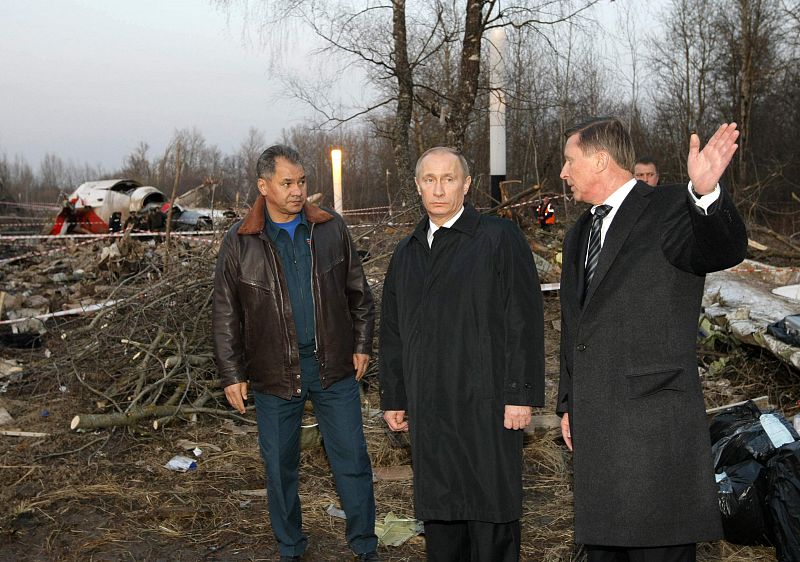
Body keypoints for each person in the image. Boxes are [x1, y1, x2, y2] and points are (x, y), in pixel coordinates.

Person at [557, 118, 747, 562]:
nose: (563, 173)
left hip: (654, 437)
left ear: (600, 159)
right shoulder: (578, 233)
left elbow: (724, 249)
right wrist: (568, 402)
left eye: (569, 161)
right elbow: (575, 326)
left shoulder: (668, 207)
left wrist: (704, 195)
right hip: (597, 432)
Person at [212, 145, 379, 562]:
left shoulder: (330, 228)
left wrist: (361, 345)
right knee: (280, 469)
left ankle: (365, 546)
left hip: (333, 367)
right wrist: (232, 373)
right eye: (287, 183)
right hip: (273, 373)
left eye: (302, 181)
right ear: (263, 186)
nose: (297, 191)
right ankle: (290, 548)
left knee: (352, 461)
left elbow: (359, 294)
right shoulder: (239, 242)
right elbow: (225, 313)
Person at [379, 147, 545, 562]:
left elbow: (523, 318)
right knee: (442, 515)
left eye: (448, 179)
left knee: (490, 512)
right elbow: (393, 332)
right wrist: (395, 397)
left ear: (466, 185)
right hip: (430, 406)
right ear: (417, 186)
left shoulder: (497, 238)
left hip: (486, 403)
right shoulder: (407, 252)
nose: (438, 188)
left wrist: (520, 393)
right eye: (429, 179)